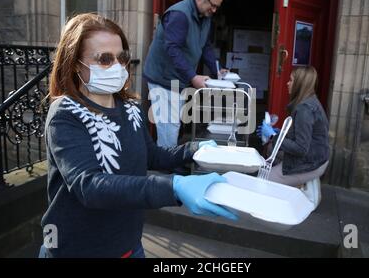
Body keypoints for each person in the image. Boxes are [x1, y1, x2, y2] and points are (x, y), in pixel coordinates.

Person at [40, 13, 237, 258]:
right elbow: (89, 185)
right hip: (78, 249)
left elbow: (151, 155)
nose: (117, 66)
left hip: (128, 244)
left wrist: (195, 150)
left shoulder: (131, 107)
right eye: (104, 59)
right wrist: (173, 186)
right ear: (75, 63)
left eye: (122, 58)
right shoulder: (65, 114)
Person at [144, 0, 229, 148]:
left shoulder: (205, 16)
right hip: (163, 78)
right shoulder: (179, 14)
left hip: (178, 78)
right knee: (169, 125)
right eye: (212, 5)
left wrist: (217, 70)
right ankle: (166, 168)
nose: (214, 10)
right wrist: (193, 76)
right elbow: (173, 49)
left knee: (174, 123)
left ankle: (170, 160)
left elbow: (205, 46)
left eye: (217, 7)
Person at [258, 66, 329, 187]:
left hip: (310, 163)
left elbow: (301, 148)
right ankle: (288, 185)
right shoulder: (309, 101)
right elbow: (301, 134)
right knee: (271, 148)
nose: (287, 83)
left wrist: (273, 135)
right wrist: (279, 133)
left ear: (299, 84)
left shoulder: (304, 109)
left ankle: (288, 190)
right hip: (315, 156)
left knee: (263, 180)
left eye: (291, 80)